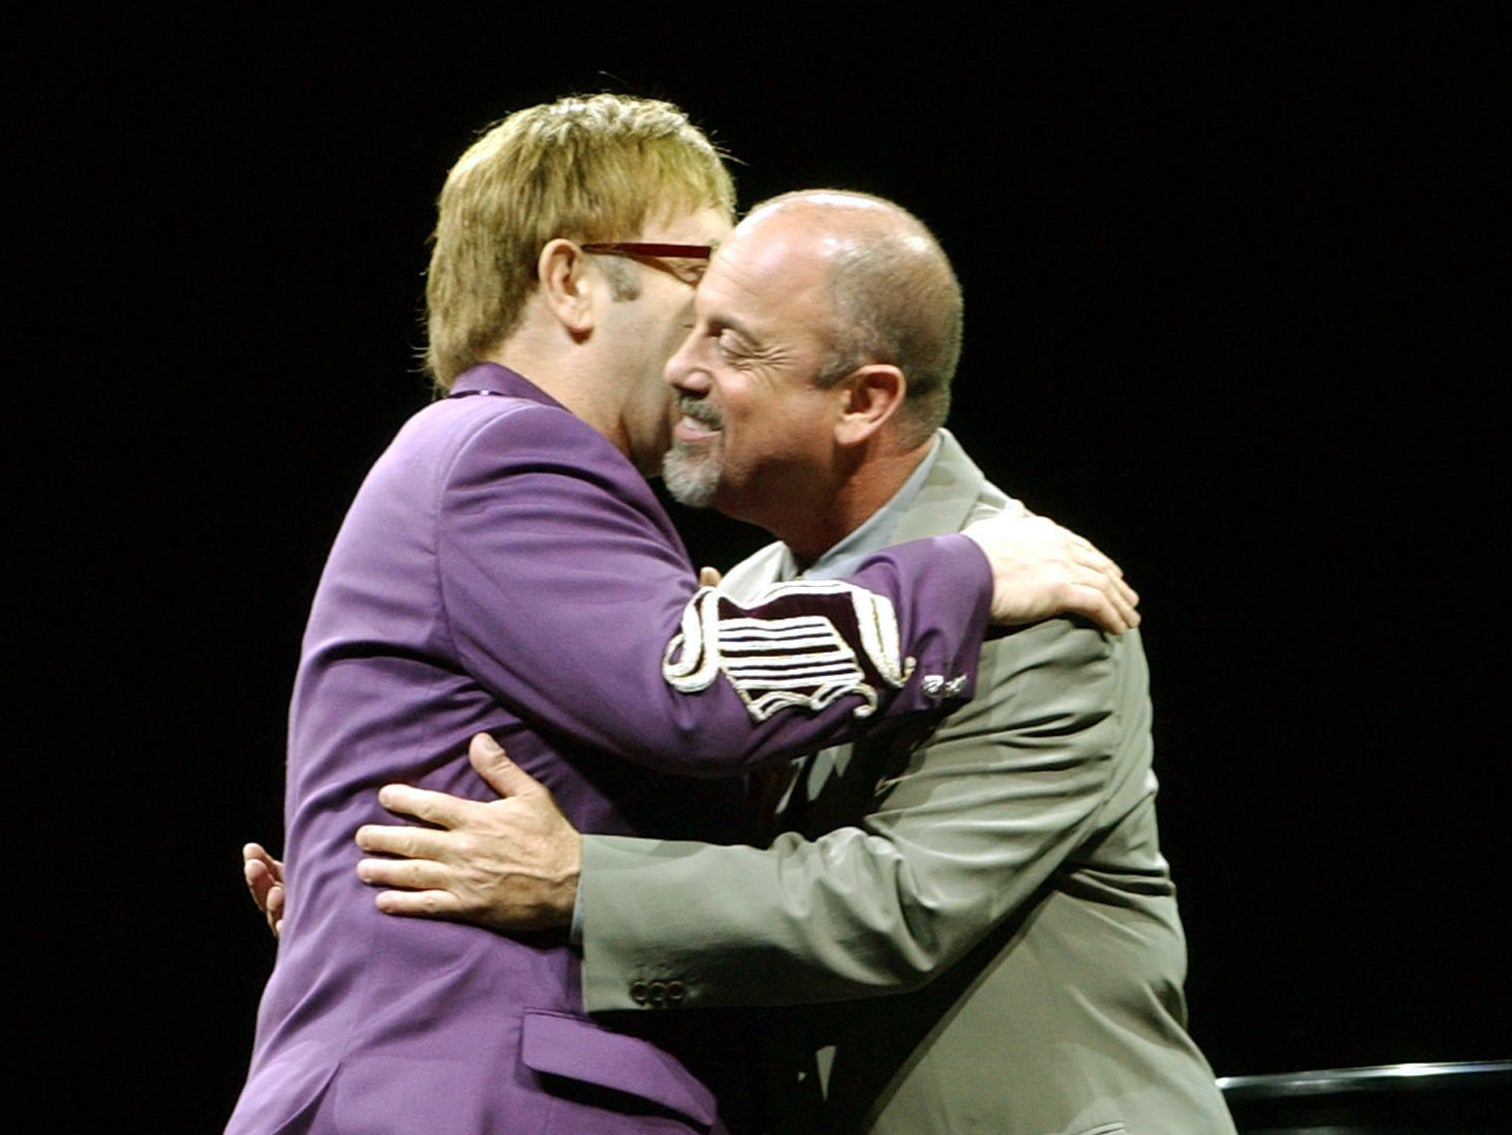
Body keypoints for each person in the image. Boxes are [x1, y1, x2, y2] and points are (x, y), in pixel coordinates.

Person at [228, 96, 1139, 1135]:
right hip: (489, 1095)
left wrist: (359, 912)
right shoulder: (514, 455)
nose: (702, 348)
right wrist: (962, 579)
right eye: (700, 274)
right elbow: (691, 690)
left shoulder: (500, 469)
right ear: (572, 279)